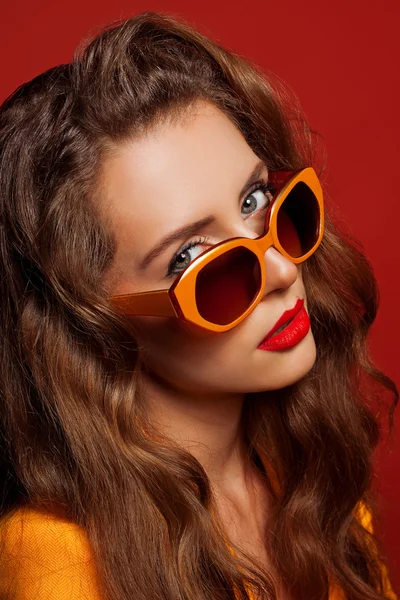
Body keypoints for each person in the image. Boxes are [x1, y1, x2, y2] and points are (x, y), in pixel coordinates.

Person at [0, 10, 397, 600]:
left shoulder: (311, 483)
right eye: (190, 257)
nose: (285, 271)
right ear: (92, 326)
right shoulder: (57, 558)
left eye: (257, 198)